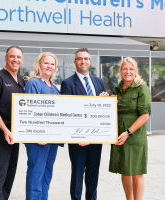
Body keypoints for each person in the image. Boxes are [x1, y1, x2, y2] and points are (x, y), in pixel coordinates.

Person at [61, 48, 108, 200]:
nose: (83, 61)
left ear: (90, 61)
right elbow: (68, 111)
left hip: (95, 137)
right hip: (78, 139)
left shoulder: (98, 81)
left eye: (86, 58)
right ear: (75, 62)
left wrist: (106, 99)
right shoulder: (67, 83)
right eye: (80, 59)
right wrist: (78, 135)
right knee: (77, 173)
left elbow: (103, 108)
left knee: (93, 173)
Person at [0, 46, 25, 200]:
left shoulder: (20, 80)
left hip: (14, 134)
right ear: (6, 58)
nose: (16, 59)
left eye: (18, 57)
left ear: (22, 60)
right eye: (12, 56)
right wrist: (4, 129)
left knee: (9, 173)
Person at [109, 57, 151, 200]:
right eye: (125, 69)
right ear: (120, 71)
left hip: (134, 136)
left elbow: (145, 115)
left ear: (136, 71)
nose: (128, 71)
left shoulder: (142, 88)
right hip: (119, 135)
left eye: (131, 69)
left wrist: (128, 132)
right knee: (125, 171)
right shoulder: (117, 88)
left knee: (136, 172)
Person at [24, 52, 63, 200]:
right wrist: (36, 134)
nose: (49, 66)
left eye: (52, 64)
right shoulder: (34, 83)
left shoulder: (55, 87)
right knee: (36, 172)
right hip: (38, 138)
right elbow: (29, 111)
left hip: (52, 139)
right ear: (39, 64)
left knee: (47, 172)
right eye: (46, 63)